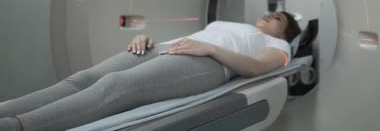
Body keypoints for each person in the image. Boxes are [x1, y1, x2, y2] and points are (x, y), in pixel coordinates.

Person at [0, 11, 301, 131]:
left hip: (208, 63)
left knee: (116, 86)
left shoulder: (278, 45)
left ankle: (18, 126)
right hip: (167, 47)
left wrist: (210, 50)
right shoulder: (230, 24)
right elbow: (203, 37)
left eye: (279, 18)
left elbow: (257, 67)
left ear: (284, 33)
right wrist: (150, 39)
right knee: (83, 79)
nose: (271, 15)